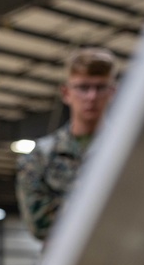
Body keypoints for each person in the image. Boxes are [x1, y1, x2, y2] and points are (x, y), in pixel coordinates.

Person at [16, 47, 118, 241]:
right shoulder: (40, 157)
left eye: (100, 87)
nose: (91, 97)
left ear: (112, 92)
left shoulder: (128, 152)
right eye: (83, 87)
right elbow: (40, 226)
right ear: (66, 92)